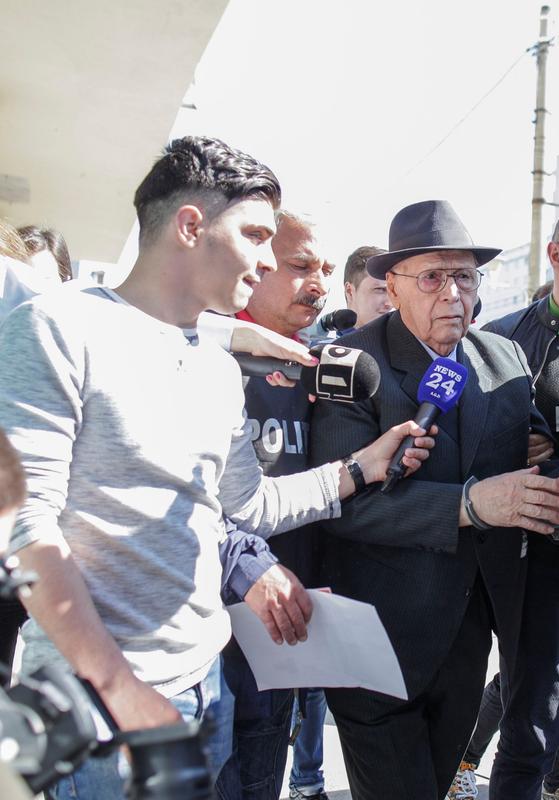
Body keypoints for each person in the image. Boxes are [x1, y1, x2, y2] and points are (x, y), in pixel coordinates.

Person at [0, 136, 433, 800]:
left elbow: (248, 506)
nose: (266, 260)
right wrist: (122, 688)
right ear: (190, 224)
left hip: (207, 689)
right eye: (256, 235)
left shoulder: (215, 362)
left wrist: (359, 468)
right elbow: (26, 532)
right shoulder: (54, 330)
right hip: (98, 708)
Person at [308, 199, 559, 799]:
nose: (453, 294)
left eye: (465, 276)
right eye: (432, 277)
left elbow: (532, 451)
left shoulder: (503, 358)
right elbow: (338, 506)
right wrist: (468, 507)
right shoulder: (347, 365)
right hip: (377, 644)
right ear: (391, 286)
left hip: (470, 643)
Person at [449, 202, 559, 800]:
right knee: (532, 719)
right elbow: (463, 450)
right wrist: (520, 447)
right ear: (557, 255)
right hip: (541, 560)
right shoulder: (503, 341)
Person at [214, 209, 335, 800]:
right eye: (300, 266)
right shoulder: (205, 357)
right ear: (257, 267)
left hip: (286, 626)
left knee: (264, 775)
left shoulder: (324, 370)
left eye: (326, 270)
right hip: (208, 636)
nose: (318, 284)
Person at [342, 244, 389, 331]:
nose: (390, 304)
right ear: (349, 291)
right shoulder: (326, 344)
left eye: (394, 291)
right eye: (380, 290)